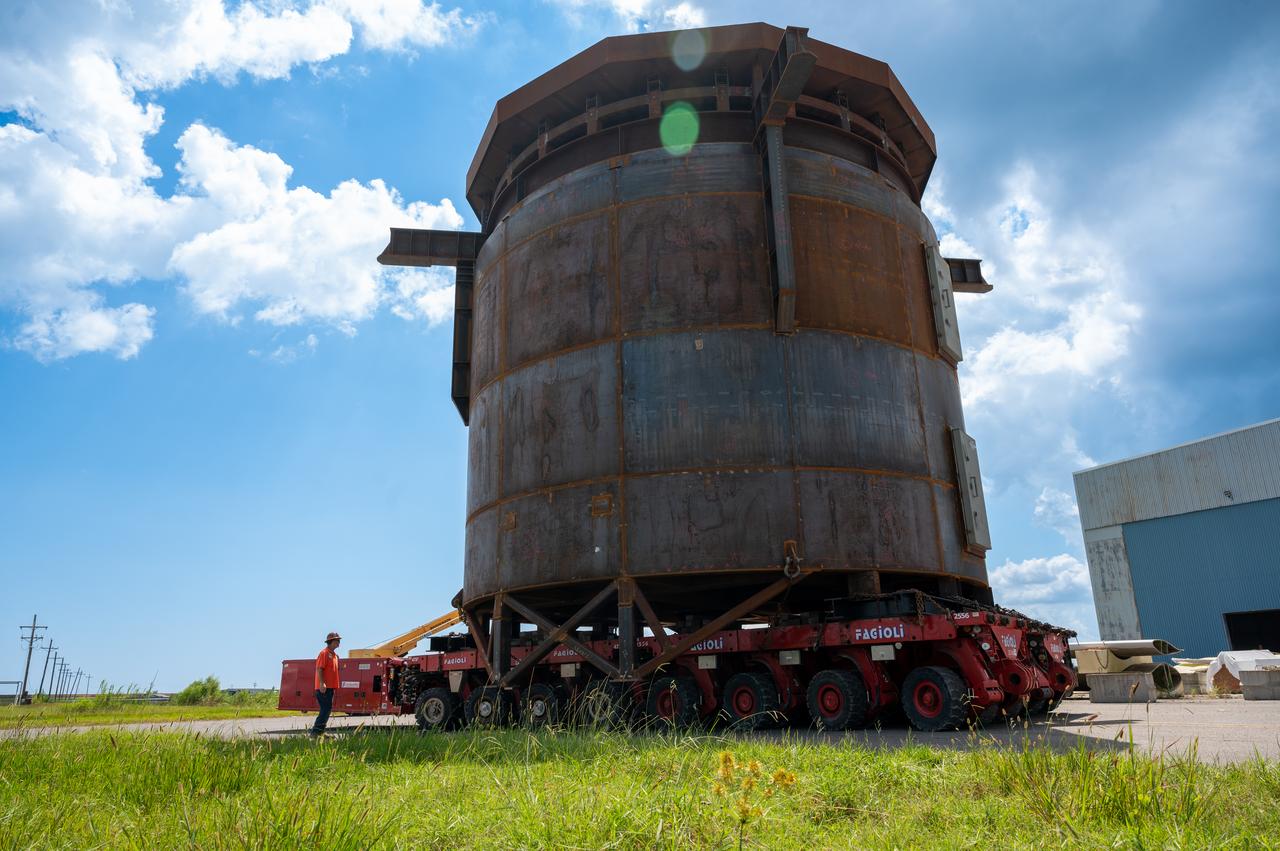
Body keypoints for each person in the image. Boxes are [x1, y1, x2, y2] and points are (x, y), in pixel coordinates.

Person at [311, 631, 341, 737]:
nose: (339, 643)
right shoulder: (324, 653)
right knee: (325, 709)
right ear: (331, 641)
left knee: (327, 709)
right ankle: (315, 732)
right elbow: (319, 669)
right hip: (324, 687)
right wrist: (322, 683)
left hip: (330, 687)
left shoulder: (335, 656)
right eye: (337, 640)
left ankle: (320, 732)